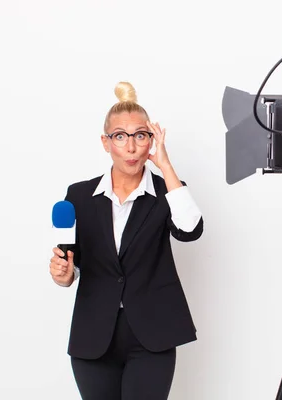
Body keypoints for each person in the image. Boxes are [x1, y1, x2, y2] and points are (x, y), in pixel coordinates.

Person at [48, 81, 203, 399]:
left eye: (140, 136)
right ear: (106, 142)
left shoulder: (168, 191)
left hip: (152, 333)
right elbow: (71, 265)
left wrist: (166, 165)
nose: (131, 147)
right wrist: (64, 275)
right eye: (120, 136)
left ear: (152, 140)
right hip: (94, 334)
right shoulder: (79, 195)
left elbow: (190, 230)